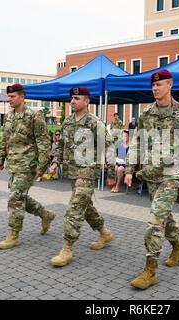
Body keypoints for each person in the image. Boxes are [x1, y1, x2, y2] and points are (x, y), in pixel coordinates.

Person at [124, 69, 179, 290]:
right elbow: (137, 143)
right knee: (165, 217)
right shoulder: (146, 113)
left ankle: (150, 270)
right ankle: (177, 246)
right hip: (151, 175)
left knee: (155, 221)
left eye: (160, 85)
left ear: (170, 85)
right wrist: (129, 169)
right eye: (153, 85)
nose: (155, 88)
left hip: (172, 176)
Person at [49, 86, 116, 267]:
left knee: (75, 207)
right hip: (72, 172)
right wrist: (55, 162)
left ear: (87, 101)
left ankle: (67, 248)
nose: (72, 101)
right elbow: (62, 144)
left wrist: (111, 173)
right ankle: (104, 232)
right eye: (72, 98)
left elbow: (108, 147)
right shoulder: (67, 122)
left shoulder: (95, 123)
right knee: (86, 207)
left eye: (77, 98)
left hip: (87, 172)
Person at [0, 83, 56, 249]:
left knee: (15, 197)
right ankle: (45, 214)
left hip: (28, 164)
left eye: (12, 97)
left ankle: (14, 234)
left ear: (22, 97)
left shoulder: (34, 116)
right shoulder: (9, 116)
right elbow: (5, 139)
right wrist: (1, 158)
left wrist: (42, 166)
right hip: (13, 164)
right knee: (20, 196)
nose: (9, 100)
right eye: (8, 97)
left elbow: (44, 141)